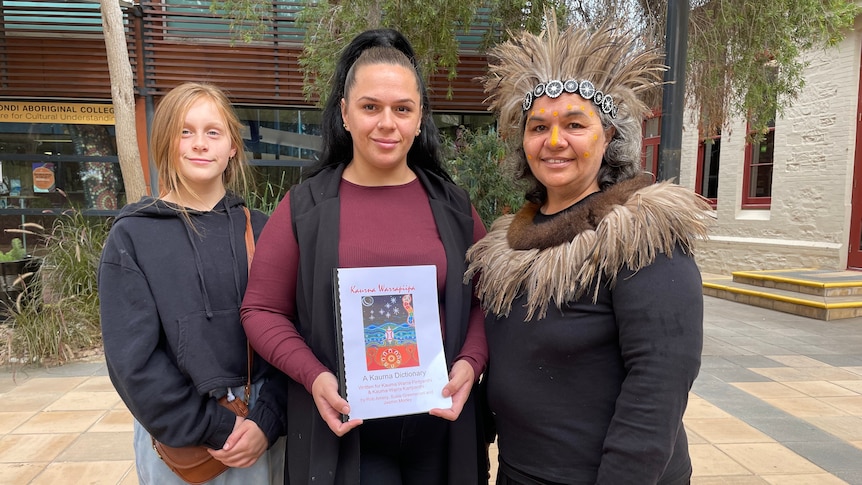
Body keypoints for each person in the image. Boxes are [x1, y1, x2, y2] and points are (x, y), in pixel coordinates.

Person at [465, 18, 712, 484]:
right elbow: (514, 357)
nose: (554, 141)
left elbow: (659, 383)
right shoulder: (507, 242)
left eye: (575, 124)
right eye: (539, 127)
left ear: (610, 137)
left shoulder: (643, 237)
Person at [241, 30, 489, 484]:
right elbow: (261, 310)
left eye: (403, 109)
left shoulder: (454, 207)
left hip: (440, 435)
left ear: (420, 119)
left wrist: (470, 363)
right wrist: (313, 375)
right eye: (370, 107)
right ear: (345, 114)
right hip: (343, 438)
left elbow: (485, 302)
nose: (386, 123)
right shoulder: (305, 208)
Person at [99, 82, 287, 485]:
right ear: (166, 141)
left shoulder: (264, 230)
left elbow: (288, 332)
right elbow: (132, 360)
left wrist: (267, 419)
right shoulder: (133, 235)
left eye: (213, 132)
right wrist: (215, 426)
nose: (200, 144)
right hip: (180, 439)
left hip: (258, 428)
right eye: (186, 131)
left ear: (232, 146)